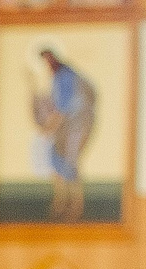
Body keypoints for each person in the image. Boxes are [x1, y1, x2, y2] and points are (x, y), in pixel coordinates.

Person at [30, 45, 97, 221]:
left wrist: (52, 124)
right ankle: (61, 202)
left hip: (77, 124)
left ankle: (76, 206)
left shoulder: (66, 76)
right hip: (66, 126)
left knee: (71, 162)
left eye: (47, 59)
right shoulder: (57, 78)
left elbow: (64, 106)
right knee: (56, 159)